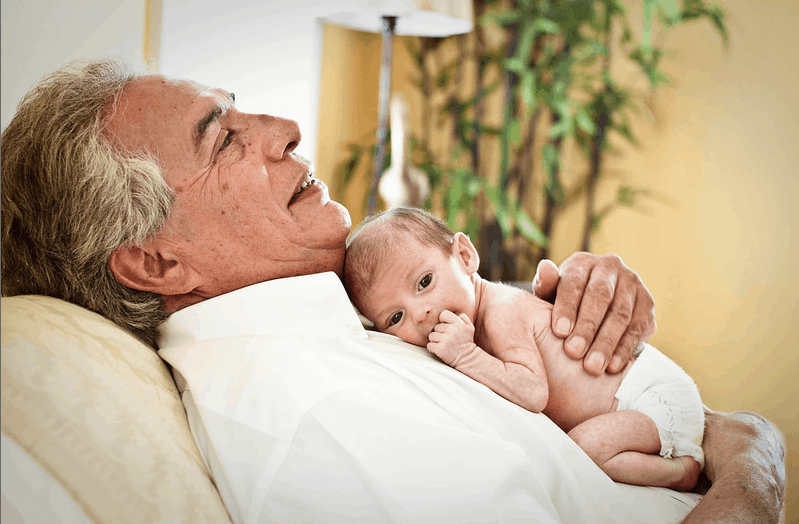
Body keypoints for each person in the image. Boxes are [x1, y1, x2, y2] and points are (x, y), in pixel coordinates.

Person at [0, 58, 785, 523]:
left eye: (242, 107)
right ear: (159, 265)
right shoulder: (316, 413)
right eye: (224, 136)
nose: (282, 128)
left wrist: (611, 349)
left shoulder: (343, 319)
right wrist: (750, 465)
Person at [344, 206, 705, 491]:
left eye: (424, 282)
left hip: (651, 395)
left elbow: (533, 392)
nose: (420, 313)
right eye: (395, 317)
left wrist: (467, 356)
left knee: (580, 450)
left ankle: (680, 472)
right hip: (633, 403)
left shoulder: (501, 311)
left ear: (465, 256)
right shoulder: (476, 321)